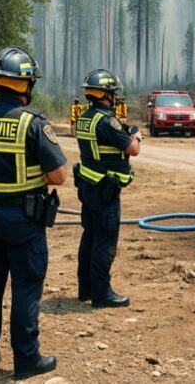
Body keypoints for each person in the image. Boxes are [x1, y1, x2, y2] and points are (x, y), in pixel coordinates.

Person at [0, 46, 66, 379]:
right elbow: (58, 176)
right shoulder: (32, 124)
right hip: (24, 221)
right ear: (24, 85)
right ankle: (27, 359)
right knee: (25, 287)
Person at [75, 69, 141, 308]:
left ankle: (86, 289)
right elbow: (132, 149)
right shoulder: (106, 120)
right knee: (104, 241)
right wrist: (137, 136)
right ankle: (102, 294)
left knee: (90, 237)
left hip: (89, 187)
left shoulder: (85, 117)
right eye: (113, 93)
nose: (115, 97)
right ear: (105, 94)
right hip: (105, 192)